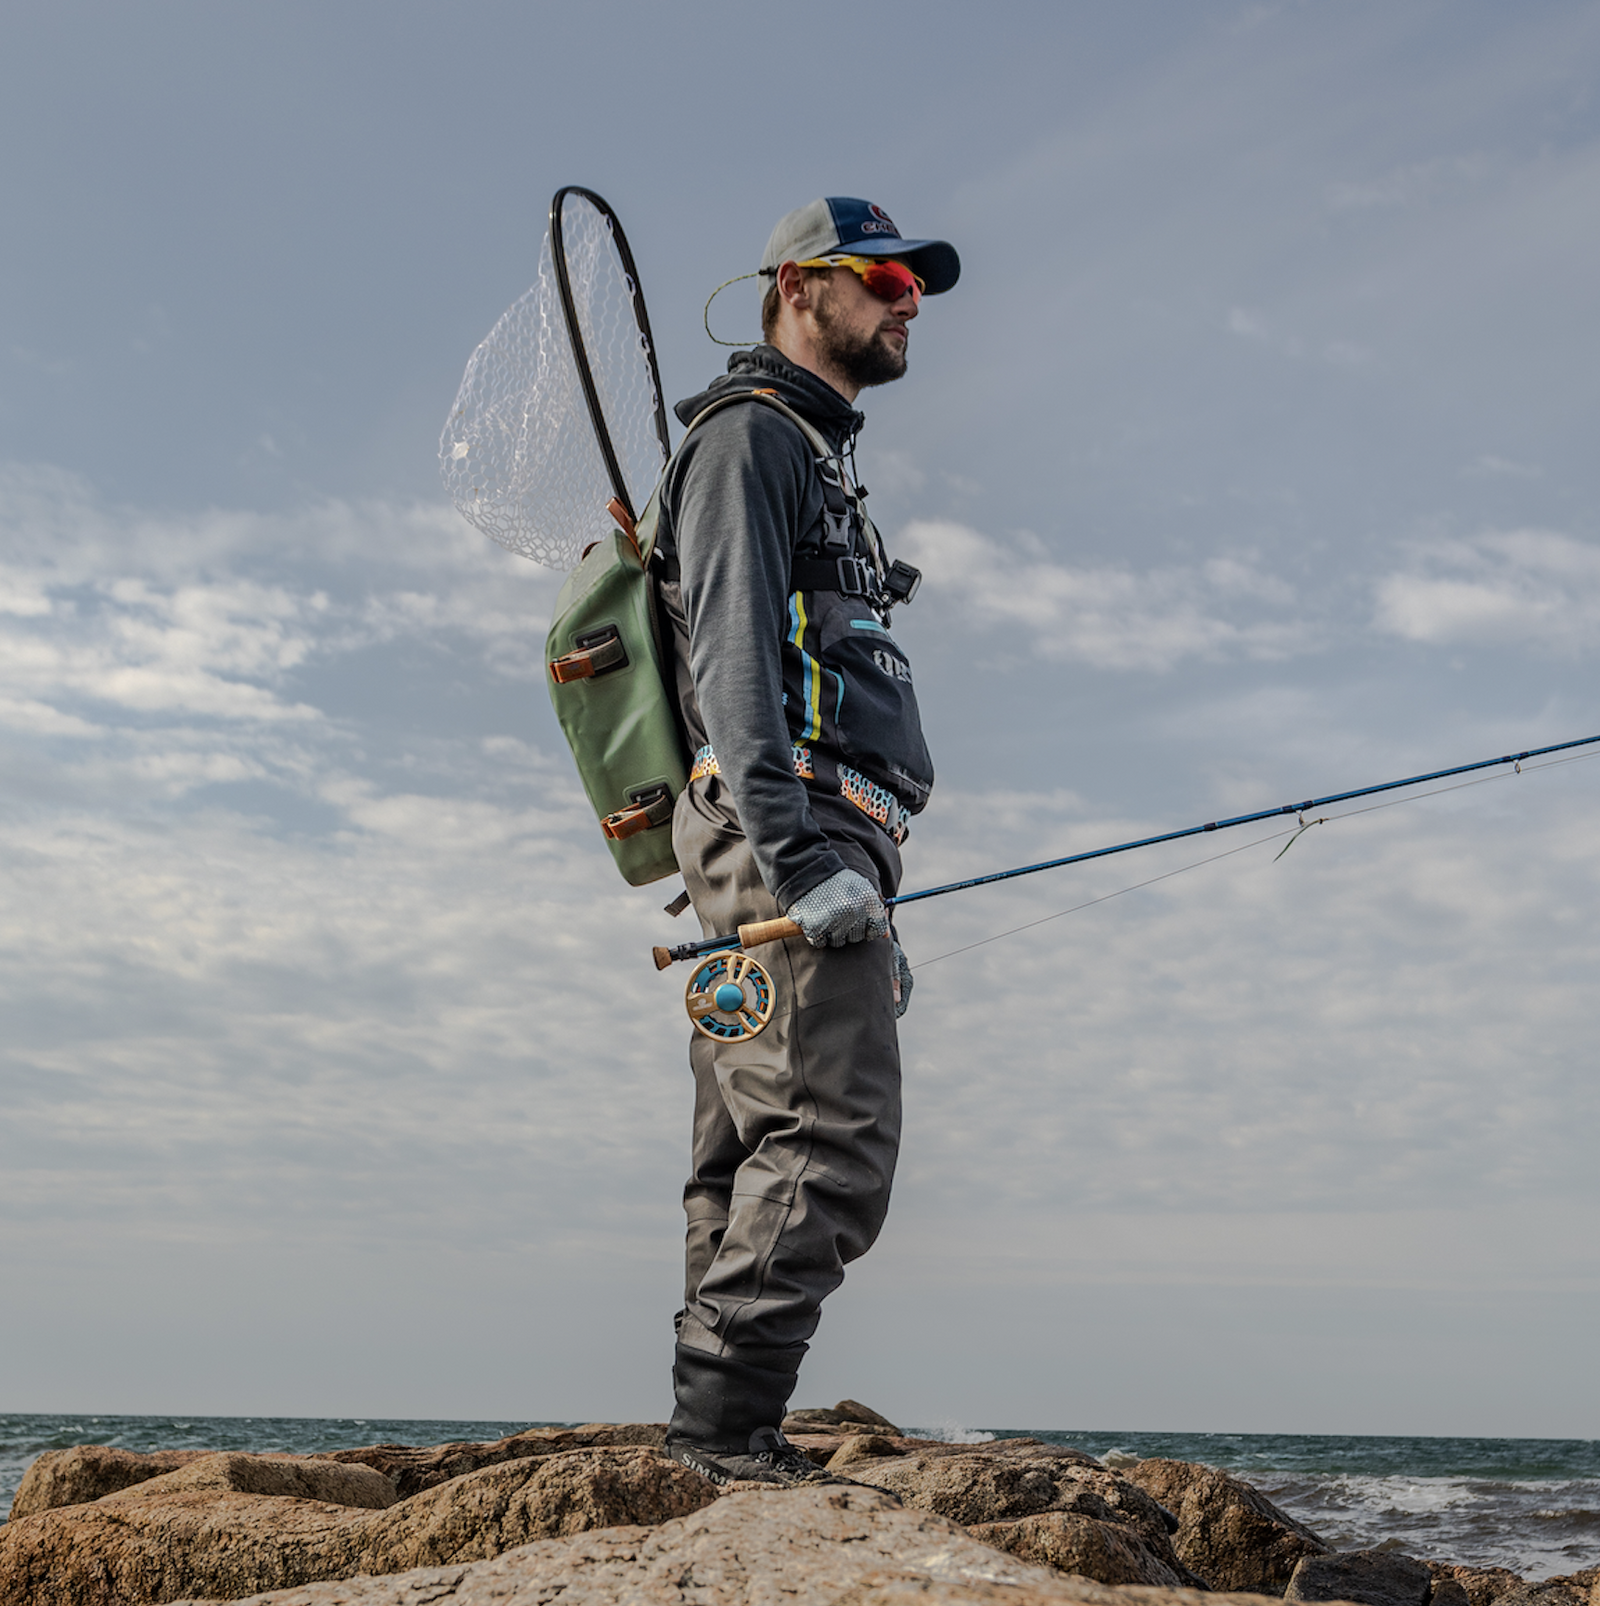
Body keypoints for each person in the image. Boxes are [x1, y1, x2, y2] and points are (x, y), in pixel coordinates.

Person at [652, 198, 960, 1485]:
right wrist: (802, 863)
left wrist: (851, 884)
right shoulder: (750, 441)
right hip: (786, 830)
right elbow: (733, 668)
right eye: (882, 276)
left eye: (916, 289)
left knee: (752, 1140)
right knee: (834, 1145)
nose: (905, 301)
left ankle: (710, 1434)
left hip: (809, 843)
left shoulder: (807, 452)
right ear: (796, 286)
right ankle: (722, 1439)